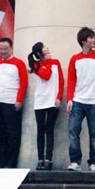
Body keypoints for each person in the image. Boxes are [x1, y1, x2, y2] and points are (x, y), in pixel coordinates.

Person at [66, 26, 95, 171]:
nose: (94, 40)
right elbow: (71, 80)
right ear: (83, 41)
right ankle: (75, 161)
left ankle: (93, 162)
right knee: (73, 132)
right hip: (77, 100)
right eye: (91, 38)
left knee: (94, 134)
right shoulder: (75, 59)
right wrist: (70, 99)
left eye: (94, 37)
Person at [0, 37, 28, 168]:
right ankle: (1, 163)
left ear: (11, 48)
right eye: (0, 49)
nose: (3, 52)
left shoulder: (19, 63)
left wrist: (19, 100)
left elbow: (23, 82)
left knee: (12, 134)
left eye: (5, 49)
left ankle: (11, 164)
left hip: (12, 103)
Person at [28, 42, 63, 170]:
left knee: (50, 129)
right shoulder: (36, 65)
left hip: (52, 100)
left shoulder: (56, 63)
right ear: (39, 53)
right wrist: (41, 65)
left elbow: (61, 81)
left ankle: (49, 158)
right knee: (40, 129)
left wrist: (59, 97)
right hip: (40, 101)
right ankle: (40, 159)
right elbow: (46, 75)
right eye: (44, 48)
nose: (47, 49)